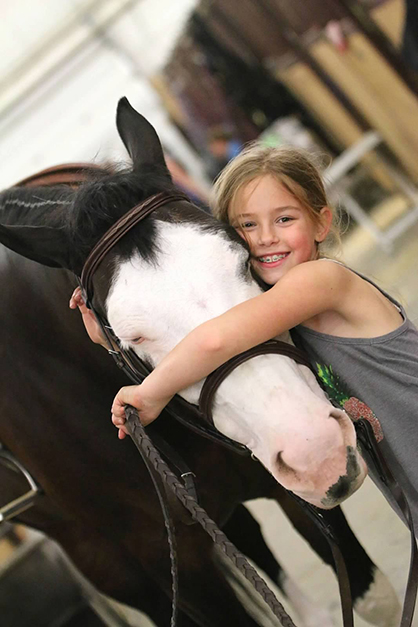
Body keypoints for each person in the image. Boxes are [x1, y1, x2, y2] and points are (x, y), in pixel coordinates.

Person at [70, 143, 418, 527]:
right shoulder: (276, 308)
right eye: (248, 225)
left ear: (321, 223)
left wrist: (150, 392)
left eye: (284, 219)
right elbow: (195, 320)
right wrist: (113, 338)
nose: (267, 237)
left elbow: (214, 341)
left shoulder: (319, 281)